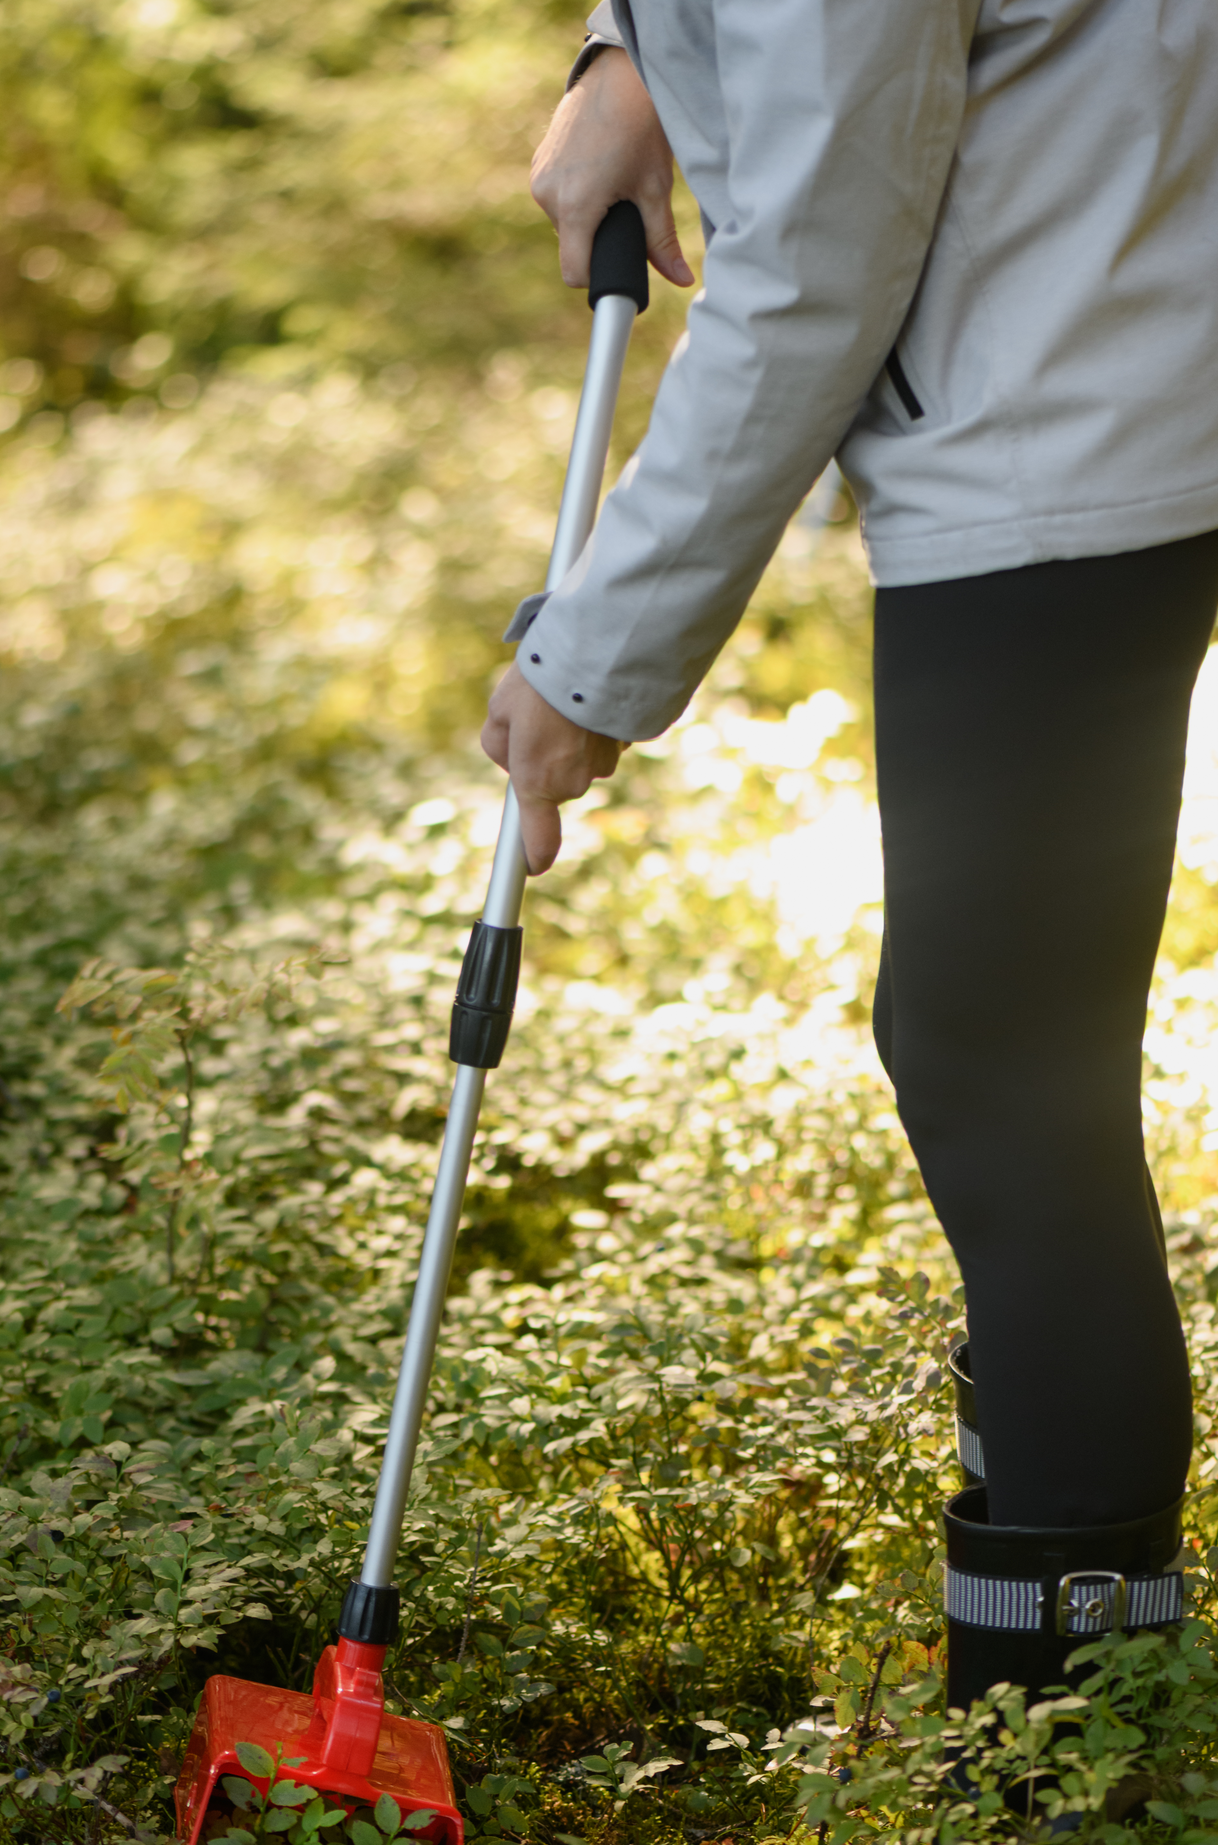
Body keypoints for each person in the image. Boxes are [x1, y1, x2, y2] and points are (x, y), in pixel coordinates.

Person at [482, 0, 1218, 1721]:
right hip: (1119, 319)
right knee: (1000, 1060)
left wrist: (594, 658)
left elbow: (821, 252)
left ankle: (1064, 1785)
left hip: (1079, 403)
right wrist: (634, 53)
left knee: (1002, 1072)